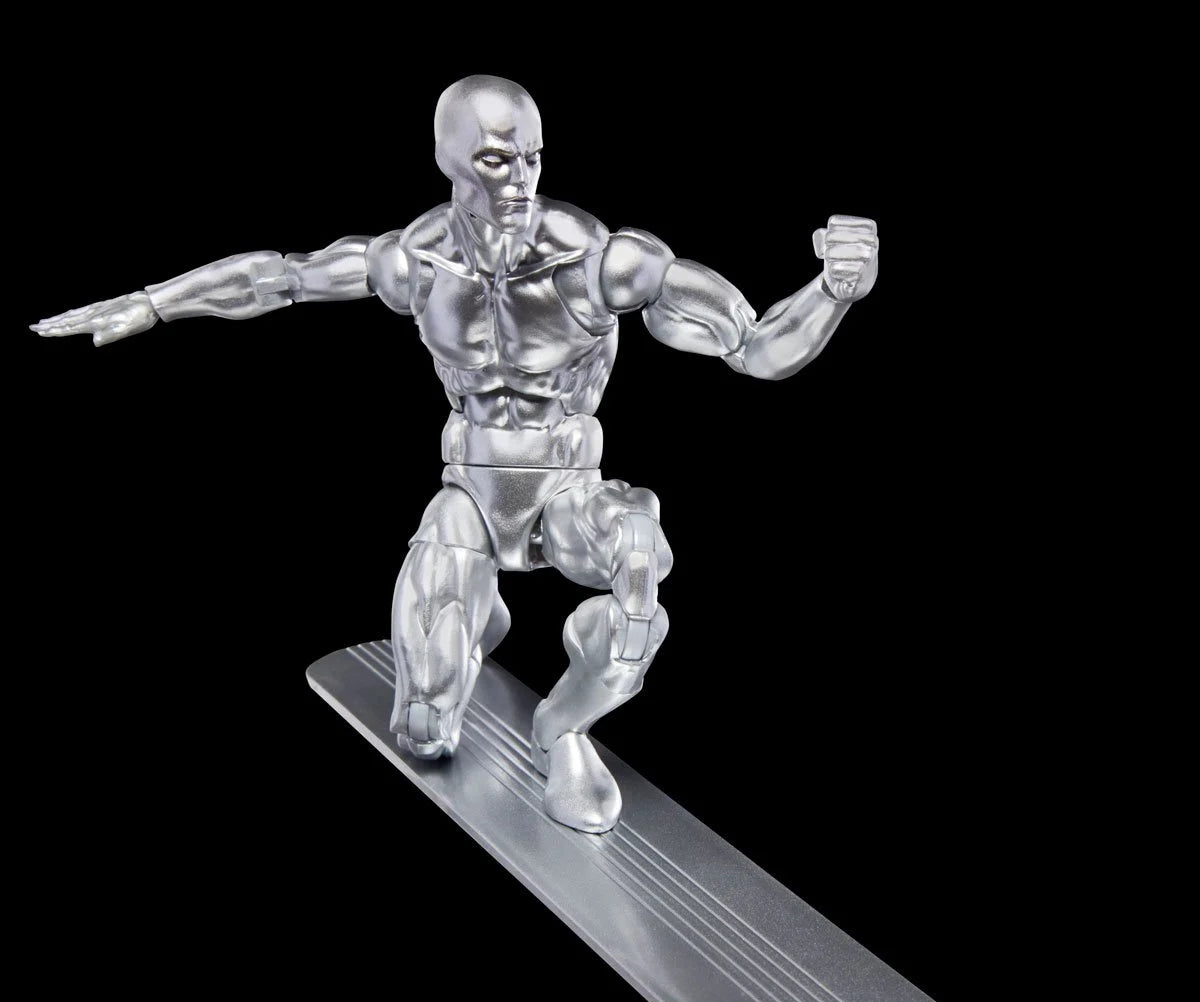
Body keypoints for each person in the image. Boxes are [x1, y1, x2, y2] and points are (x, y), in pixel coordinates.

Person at [31, 74, 879, 834]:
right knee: (425, 735)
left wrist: (832, 293)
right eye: (498, 161)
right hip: (470, 493)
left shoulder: (600, 262)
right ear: (451, 160)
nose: (521, 180)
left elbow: (755, 348)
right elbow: (280, 278)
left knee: (637, 565)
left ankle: (565, 728)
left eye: (533, 158)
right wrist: (153, 302)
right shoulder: (417, 259)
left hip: (567, 495)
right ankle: (473, 620)